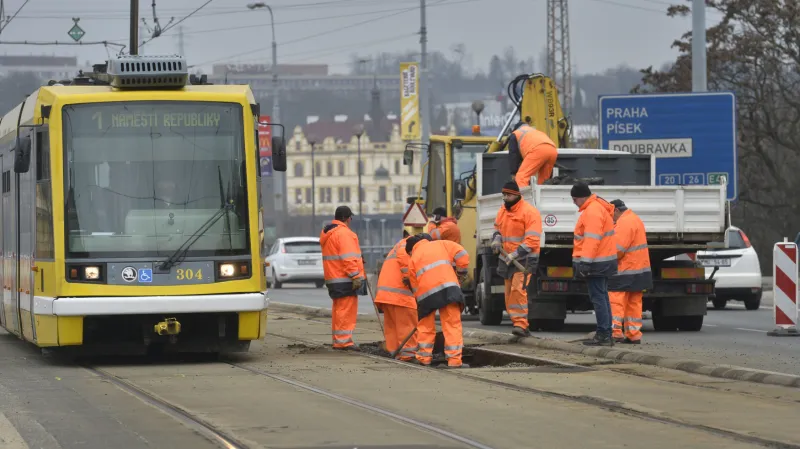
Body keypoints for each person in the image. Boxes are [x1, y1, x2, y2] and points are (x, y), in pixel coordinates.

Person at [406, 234, 470, 368]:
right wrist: (461, 273)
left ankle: (424, 358)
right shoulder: (441, 244)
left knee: (425, 326)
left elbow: (415, 286)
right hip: (449, 289)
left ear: (412, 250)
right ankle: (454, 361)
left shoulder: (413, 259)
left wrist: (421, 306)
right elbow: (462, 254)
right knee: (452, 325)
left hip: (426, 296)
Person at [490, 181, 542, 337]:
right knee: (509, 292)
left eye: (508, 195)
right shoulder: (502, 211)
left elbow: (532, 240)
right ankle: (517, 322)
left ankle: (521, 324)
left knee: (518, 290)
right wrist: (496, 238)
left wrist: (516, 254)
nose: (505, 198)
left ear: (517, 195)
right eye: (504, 195)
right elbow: (497, 229)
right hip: (507, 259)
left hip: (524, 261)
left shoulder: (529, 213)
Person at [570, 183, 618, 346]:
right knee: (602, 296)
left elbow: (592, 239)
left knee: (598, 297)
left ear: (581, 197)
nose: (574, 202)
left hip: (596, 263)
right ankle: (606, 332)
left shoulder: (592, 211)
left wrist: (585, 262)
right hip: (601, 262)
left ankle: (604, 333)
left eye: (574, 199)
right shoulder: (597, 208)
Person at [319, 206, 365, 351]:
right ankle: (344, 341)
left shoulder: (329, 232)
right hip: (345, 279)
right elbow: (348, 257)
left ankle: (338, 339)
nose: (351, 220)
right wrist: (355, 276)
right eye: (351, 217)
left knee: (339, 310)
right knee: (346, 310)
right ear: (347, 218)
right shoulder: (344, 234)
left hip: (334, 278)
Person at [608, 199, 652, 344]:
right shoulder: (634, 219)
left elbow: (618, 249)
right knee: (634, 302)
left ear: (616, 210)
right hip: (638, 270)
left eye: (611, 214)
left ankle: (615, 332)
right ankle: (634, 334)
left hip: (624, 270)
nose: (611, 218)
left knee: (616, 300)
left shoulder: (624, 222)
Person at [374, 232, 418, 361]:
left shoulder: (399, 245)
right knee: (407, 325)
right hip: (401, 295)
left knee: (392, 327)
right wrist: (409, 278)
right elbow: (406, 263)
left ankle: (395, 354)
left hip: (386, 294)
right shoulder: (407, 246)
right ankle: (408, 355)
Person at [507, 120, 559, 188]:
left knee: (521, 178)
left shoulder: (515, 133)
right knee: (544, 181)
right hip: (552, 150)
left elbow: (513, 154)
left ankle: (522, 198)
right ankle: (542, 198)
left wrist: (513, 173)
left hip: (538, 150)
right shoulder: (534, 131)